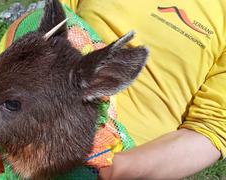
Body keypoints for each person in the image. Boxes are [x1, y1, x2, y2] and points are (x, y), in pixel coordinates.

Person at [60, 0, 225, 179]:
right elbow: (47, 19)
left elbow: (209, 132)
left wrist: (111, 169)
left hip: (114, 159)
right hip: (40, 107)